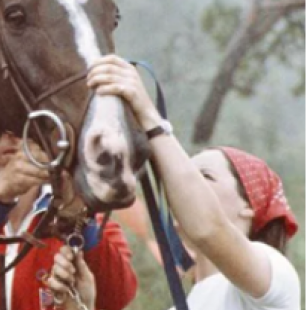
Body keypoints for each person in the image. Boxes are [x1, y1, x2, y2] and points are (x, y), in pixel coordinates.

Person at [46, 55, 301, 310]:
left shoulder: (276, 276)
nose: (183, 189)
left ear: (249, 207)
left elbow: (208, 228)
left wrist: (149, 116)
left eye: (205, 176)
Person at [0, 133, 138, 310]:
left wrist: (77, 219)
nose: (11, 135)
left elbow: (117, 296)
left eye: (21, 124)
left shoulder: (79, 212)